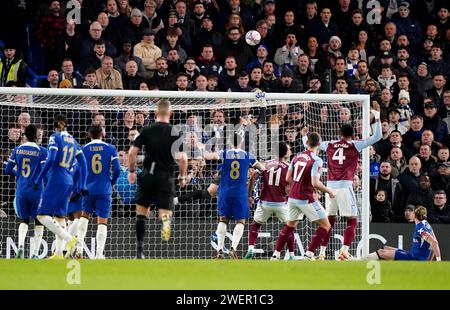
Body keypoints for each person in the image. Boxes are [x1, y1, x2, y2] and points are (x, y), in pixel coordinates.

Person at [302, 110, 382, 260]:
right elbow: (377, 137)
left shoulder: (329, 145)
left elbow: (310, 146)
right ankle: (344, 251)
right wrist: (376, 117)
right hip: (345, 187)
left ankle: (321, 252)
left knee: (329, 220)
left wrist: (304, 136)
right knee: (352, 220)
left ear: (340, 132)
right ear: (352, 134)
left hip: (330, 187)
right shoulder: (355, 145)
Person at [128, 100, 188, 259]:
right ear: (171, 114)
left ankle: (139, 251)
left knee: (141, 213)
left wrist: (132, 171)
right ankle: (166, 223)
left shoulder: (146, 130)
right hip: (165, 176)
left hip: (148, 173)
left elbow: (132, 153)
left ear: (155, 113)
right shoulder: (175, 131)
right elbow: (182, 159)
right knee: (165, 213)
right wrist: (182, 176)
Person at [271, 132, 336, 261]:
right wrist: (329, 191)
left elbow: (288, 178)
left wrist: (298, 184)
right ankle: (309, 255)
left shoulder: (296, 156)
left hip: (292, 197)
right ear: (319, 144)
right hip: (305, 198)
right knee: (326, 225)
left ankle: (276, 255)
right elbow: (315, 182)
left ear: (307, 143)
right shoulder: (316, 160)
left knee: (290, 226)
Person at [203, 131, 265, 259]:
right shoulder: (248, 155)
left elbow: (209, 157)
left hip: (225, 191)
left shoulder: (224, 153)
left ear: (230, 143)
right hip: (240, 193)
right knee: (240, 221)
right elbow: (263, 169)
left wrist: (202, 149)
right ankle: (233, 248)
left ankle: (220, 250)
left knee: (223, 219)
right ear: (241, 142)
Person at [34, 115, 88, 259]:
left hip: (57, 179)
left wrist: (39, 178)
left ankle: (71, 240)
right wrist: (82, 184)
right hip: (69, 181)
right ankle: (58, 253)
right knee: (59, 216)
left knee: (41, 215)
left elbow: (51, 158)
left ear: (55, 126)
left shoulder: (54, 137)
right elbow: (83, 164)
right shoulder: (74, 141)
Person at [75, 125, 121, 259]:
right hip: (104, 189)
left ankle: (79, 249)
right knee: (102, 221)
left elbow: (78, 170)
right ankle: (99, 254)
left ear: (90, 134)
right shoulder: (110, 148)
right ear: (103, 133)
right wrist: (111, 183)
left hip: (88, 188)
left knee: (84, 217)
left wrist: (80, 186)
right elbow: (117, 169)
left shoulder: (83, 149)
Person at [5, 125, 47, 259]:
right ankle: (35, 253)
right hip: (37, 191)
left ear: (24, 135)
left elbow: (7, 170)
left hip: (22, 190)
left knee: (24, 220)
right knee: (39, 221)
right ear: (35, 135)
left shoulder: (17, 150)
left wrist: (18, 175)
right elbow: (45, 173)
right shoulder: (42, 151)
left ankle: (21, 247)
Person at [244, 142, 292, 259]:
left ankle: (250, 249)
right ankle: (291, 255)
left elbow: (253, 177)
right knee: (290, 227)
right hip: (281, 203)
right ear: (285, 152)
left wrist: (249, 196)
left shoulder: (265, 164)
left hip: (265, 202)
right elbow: (290, 184)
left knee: (255, 225)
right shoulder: (288, 167)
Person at [362, 206, 441, 261]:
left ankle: (358, 260)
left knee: (381, 252)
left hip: (414, 258)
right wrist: (429, 262)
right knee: (385, 248)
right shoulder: (426, 223)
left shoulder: (420, 229)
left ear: (414, 215)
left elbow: (434, 242)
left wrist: (438, 260)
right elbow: (433, 243)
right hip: (413, 254)